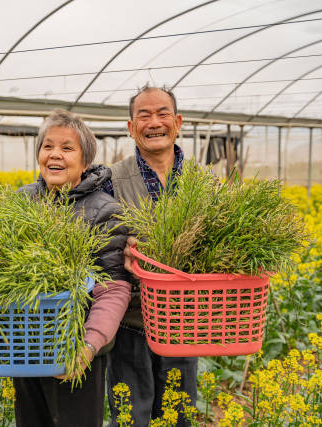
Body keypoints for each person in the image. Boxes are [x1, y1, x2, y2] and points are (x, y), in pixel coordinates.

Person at [14, 109, 132, 427]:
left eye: (67, 148)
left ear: (84, 161)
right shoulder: (22, 202)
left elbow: (115, 286)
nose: (55, 155)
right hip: (26, 343)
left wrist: (90, 345)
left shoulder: (104, 211)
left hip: (78, 348)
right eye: (47, 146)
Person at [104, 85, 198, 427]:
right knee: (130, 417)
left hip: (184, 320)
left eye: (162, 114)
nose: (154, 122)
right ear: (131, 127)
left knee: (178, 416)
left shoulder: (202, 181)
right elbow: (92, 241)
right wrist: (119, 249)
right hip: (130, 320)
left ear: (178, 122)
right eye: (144, 115)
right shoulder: (109, 180)